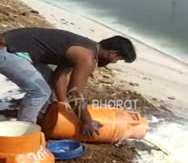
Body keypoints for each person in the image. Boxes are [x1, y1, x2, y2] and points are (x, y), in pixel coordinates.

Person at [0, 27, 136, 136]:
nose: (113, 63)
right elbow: (75, 93)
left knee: (47, 80)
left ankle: (41, 118)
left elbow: (59, 77)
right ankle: (24, 134)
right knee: (40, 92)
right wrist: (87, 121)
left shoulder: (86, 48)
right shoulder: (86, 57)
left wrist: (63, 103)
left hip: (18, 50)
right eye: (118, 59)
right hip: (7, 51)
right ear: (112, 54)